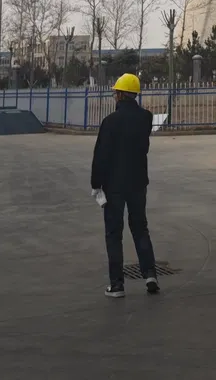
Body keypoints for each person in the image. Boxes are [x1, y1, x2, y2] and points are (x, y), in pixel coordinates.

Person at [90, 72, 160, 298]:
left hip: (114, 186)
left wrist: (96, 184)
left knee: (114, 233)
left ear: (119, 95)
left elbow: (101, 155)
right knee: (140, 228)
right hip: (138, 182)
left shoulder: (110, 122)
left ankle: (117, 284)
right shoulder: (146, 118)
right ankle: (150, 274)